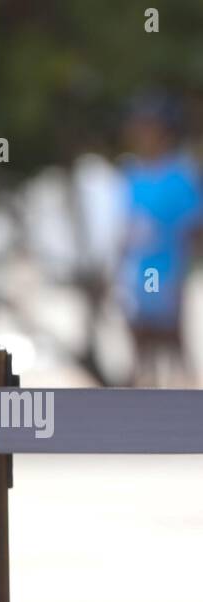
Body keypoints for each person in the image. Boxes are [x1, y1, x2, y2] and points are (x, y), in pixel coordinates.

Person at [117, 93, 203, 387]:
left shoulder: (180, 175)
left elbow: (193, 229)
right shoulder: (132, 175)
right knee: (140, 355)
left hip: (168, 275)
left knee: (173, 349)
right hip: (135, 277)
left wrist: (183, 274)